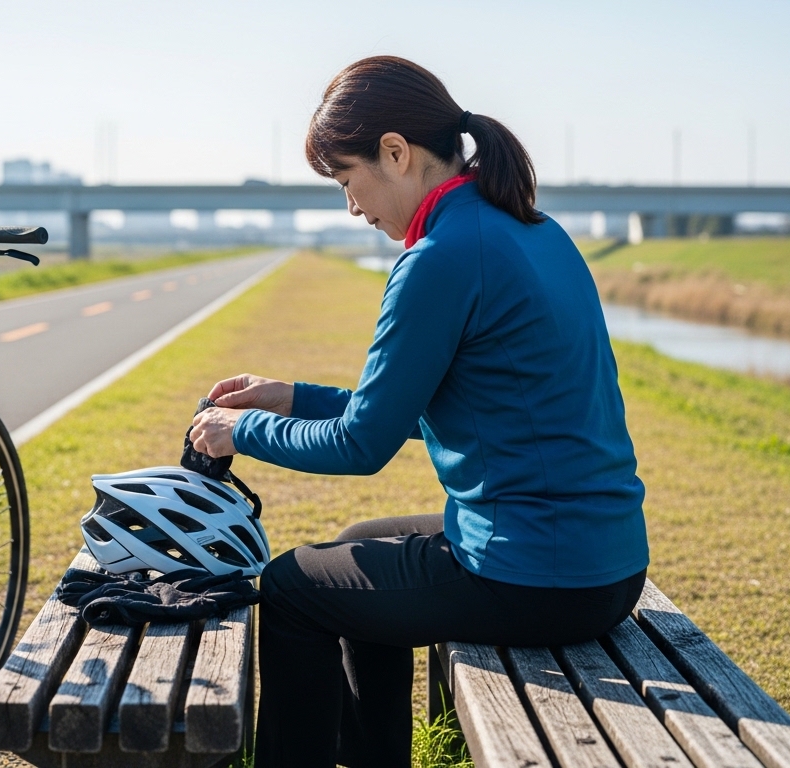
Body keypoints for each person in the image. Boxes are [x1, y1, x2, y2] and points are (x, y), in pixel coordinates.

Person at [188, 56, 649, 768]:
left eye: (346, 179)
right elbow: (412, 410)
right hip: (606, 562)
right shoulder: (530, 229)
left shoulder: (439, 257)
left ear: (395, 152)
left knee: (289, 588)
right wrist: (289, 396)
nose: (352, 207)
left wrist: (239, 430)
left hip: (539, 578)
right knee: (355, 544)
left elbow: (361, 445)